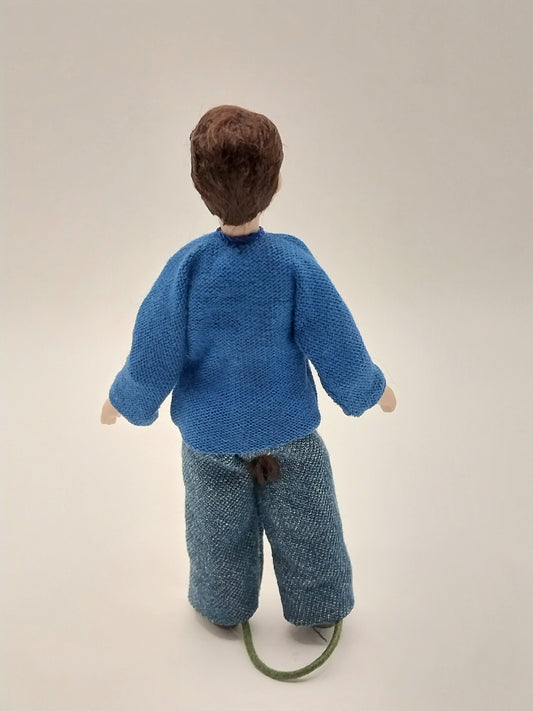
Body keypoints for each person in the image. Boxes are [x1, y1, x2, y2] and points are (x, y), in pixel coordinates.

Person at [101, 105, 396, 678]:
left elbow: (154, 350)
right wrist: (369, 387)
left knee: (216, 530)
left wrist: (125, 398)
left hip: (210, 439)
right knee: (308, 520)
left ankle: (221, 605)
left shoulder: (187, 268)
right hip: (288, 432)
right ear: (276, 181)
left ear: (199, 184)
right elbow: (334, 336)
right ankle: (320, 602)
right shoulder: (292, 262)